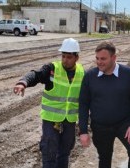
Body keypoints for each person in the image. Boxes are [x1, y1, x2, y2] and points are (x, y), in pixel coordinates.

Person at [13, 38, 84, 168]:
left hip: (69, 119)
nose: (65, 60)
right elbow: (36, 75)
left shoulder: (81, 72)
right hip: (51, 119)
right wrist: (23, 82)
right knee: (49, 151)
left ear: (76, 58)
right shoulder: (52, 68)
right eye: (63, 56)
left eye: (69, 57)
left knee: (65, 151)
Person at [78, 41, 130, 168]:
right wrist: (83, 131)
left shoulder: (129, 74)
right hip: (100, 126)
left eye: (103, 59)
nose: (99, 62)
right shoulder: (90, 76)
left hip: (124, 123)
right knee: (104, 158)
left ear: (114, 58)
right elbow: (83, 104)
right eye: (97, 58)